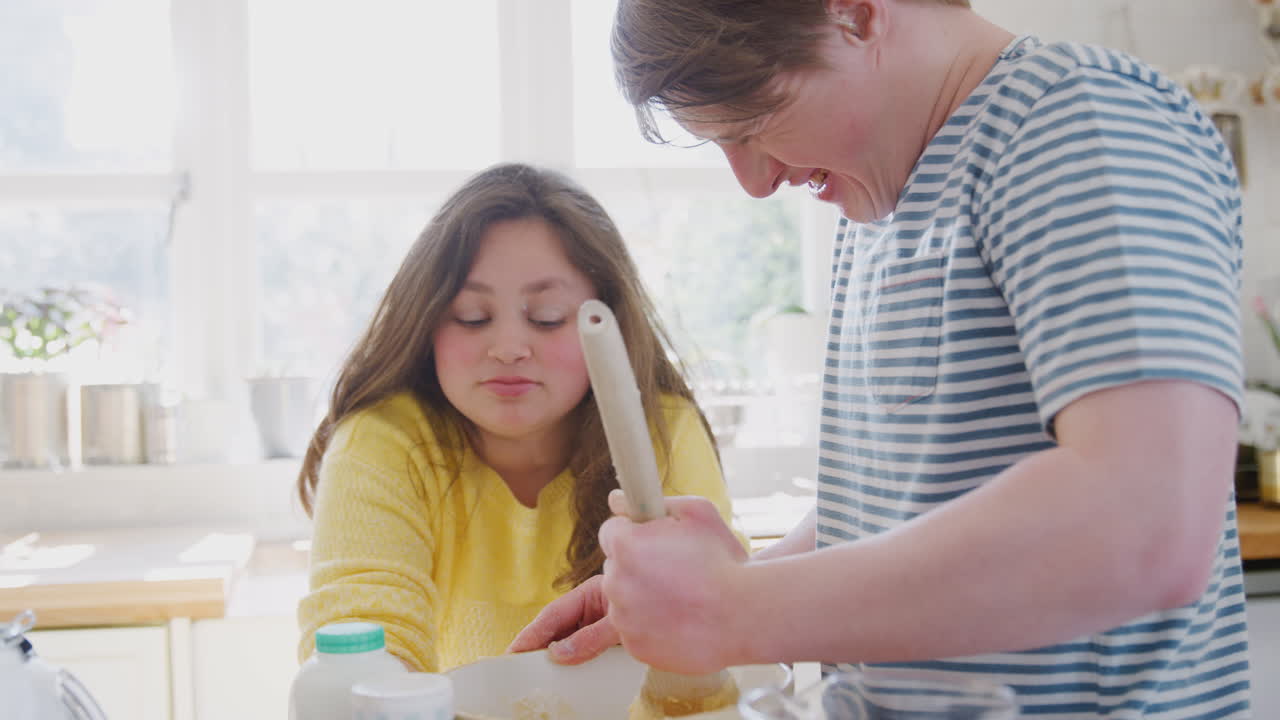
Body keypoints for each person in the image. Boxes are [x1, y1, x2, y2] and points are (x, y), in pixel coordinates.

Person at [509, 1, 1252, 716]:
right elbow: (907, 503)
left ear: (856, 13)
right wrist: (718, 591)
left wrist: (733, 608)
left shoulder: (1080, 122)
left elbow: (1149, 523)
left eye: (752, 125)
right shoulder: (883, 204)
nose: (755, 181)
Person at [295, 162, 742, 673]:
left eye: (548, 317)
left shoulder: (665, 432)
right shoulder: (383, 441)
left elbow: (720, 629)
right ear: (427, 323)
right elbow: (360, 635)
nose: (508, 348)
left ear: (608, 323)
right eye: (472, 317)